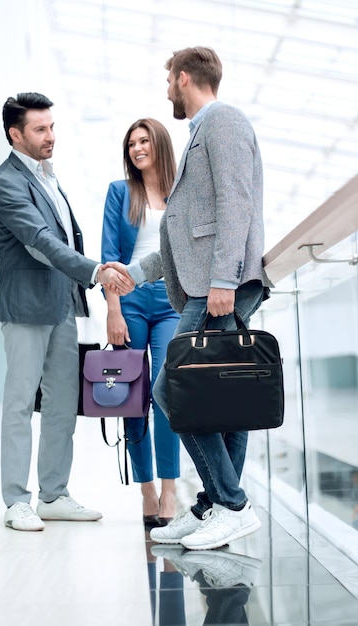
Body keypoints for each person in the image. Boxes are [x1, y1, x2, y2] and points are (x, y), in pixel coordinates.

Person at [106, 46, 273, 550]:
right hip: (209, 284)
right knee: (219, 398)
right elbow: (184, 236)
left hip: (220, 287)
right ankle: (212, 508)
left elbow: (236, 202)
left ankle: (233, 505)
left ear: (182, 78)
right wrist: (134, 274)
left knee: (174, 391)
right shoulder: (200, 132)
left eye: (167, 82)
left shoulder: (221, 121)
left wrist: (224, 279)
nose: (166, 92)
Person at [0, 92, 134, 532]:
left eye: (51, 127)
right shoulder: (6, 182)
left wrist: (82, 285)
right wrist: (96, 273)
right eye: (40, 129)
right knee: (18, 404)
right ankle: (16, 500)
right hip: (26, 306)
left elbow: (67, 235)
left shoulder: (48, 175)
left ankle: (54, 494)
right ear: (16, 134)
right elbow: (40, 242)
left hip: (62, 305)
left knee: (62, 404)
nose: (51, 136)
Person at [101, 119, 181, 527]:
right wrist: (113, 310)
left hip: (171, 299)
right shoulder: (120, 192)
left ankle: (170, 490)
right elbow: (109, 256)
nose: (137, 148)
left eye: (144, 140)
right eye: (131, 143)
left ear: (159, 144)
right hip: (130, 300)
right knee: (133, 398)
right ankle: (146, 489)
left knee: (166, 391)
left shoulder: (179, 190)